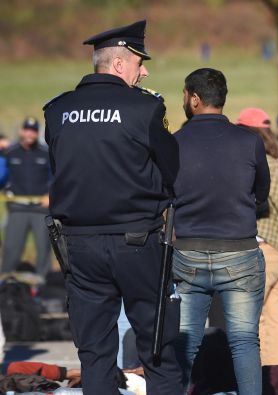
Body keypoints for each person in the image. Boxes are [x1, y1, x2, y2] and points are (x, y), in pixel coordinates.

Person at [43, 20, 182, 394]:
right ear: (120, 65)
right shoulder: (145, 108)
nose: (146, 70)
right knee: (158, 350)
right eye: (140, 62)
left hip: (80, 246)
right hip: (137, 242)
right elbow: (172, 169)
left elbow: (61, 169)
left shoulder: (57, 111)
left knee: (95, 355)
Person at [172, 68, 270, 394]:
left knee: (186, 340)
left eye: (185, 95)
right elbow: (261, 193)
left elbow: (164, 195)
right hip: (239, 249)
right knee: (244, 341)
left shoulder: (175, 143)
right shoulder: (249, 141)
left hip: (188, 250)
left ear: (195, 99)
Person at [237, 107, 278, 394]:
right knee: (276, 319)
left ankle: (257, 381)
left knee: (254, 319)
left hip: (265, 246)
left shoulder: (255, 164)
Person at [1, 117, 52, 277]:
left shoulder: (46, 153)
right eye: (28, 130)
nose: (30, 134)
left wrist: (50, 194)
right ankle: (6, 283)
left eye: (34, 131)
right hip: (17, 209)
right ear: (22, 131)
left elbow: (55, 177)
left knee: (43, 250)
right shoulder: (9, 153)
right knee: (11, 248)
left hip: (41, 210)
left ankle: (42, 286)